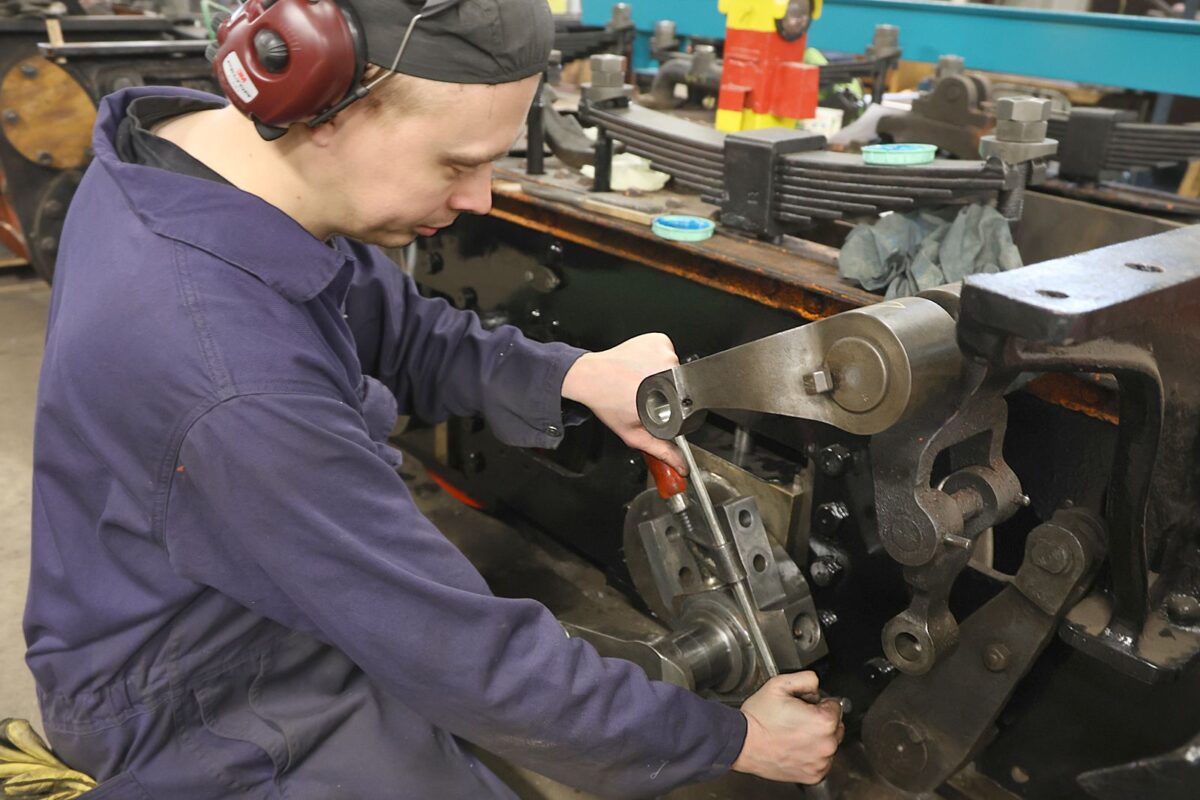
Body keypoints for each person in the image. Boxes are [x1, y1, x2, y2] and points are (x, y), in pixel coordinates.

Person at [24, 0, 843, 796]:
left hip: (230, 595)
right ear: (327, 108)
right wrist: (736, 740)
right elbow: (460, 653)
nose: (480, 198)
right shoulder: (231, 375)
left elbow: (398, 327)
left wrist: (570, 376)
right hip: (202, 691)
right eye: (457, 164)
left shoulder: (192, 164)